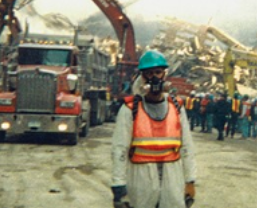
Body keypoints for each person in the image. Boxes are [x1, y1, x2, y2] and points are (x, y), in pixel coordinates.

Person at [111, 50, 197, 208]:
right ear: (142, 77)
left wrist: (190, 180)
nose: (154, 77)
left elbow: (187, 146)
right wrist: (119, 185)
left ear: (165, 74)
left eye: (158, 72)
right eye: (149, 73)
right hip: (140, 177)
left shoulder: (176, 107)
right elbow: (119, 149)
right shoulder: (130, 108)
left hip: (172, 176)